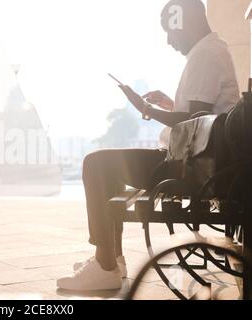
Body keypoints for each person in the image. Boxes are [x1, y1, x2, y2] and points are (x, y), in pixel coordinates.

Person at [57, 0, 240, 291]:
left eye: (171, 31)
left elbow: (193, 120)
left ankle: (106, 264)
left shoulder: (205, 55)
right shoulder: (211, 50)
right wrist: (169, 104)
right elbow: (199, 114)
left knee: (96, 163)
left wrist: (145, 108)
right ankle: (110, 261)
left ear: (187, 21)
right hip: (193, 160)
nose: (169, 41)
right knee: (107, 166)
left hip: (183, 167)